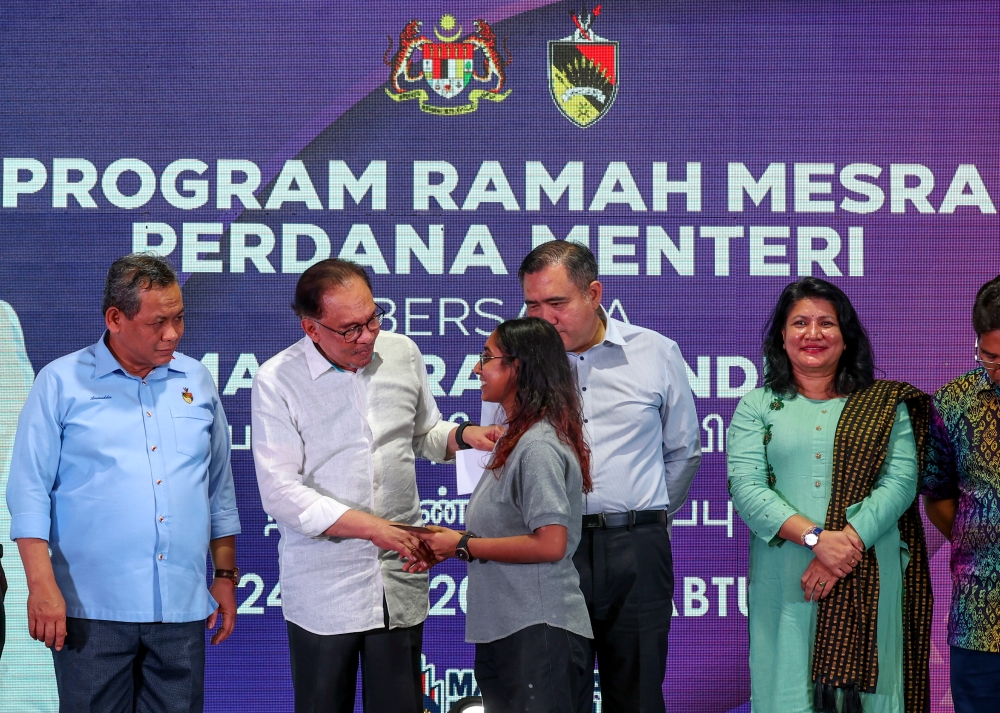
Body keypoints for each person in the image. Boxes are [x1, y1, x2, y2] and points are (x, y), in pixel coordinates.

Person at [250, 258, 500, 713]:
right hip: (325, 587)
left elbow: (424, 433)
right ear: (311, 329)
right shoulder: (277, 380)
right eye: (349, 329)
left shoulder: (402, 353)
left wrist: (464, 437)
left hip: (400, 574)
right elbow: (281, 492)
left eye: (372, 319)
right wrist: (375, 529)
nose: (366, 336)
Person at [6, 253, 241, 713]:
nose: (172, 334)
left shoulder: (197, 379)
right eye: (158, 322)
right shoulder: (59, 383)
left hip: (181, 609)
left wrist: (226, 575)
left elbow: (218, 488)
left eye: (179, 319)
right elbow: (29, 493)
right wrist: (40, 585)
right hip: (90, 613)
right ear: (115, 318)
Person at [726, 277, 932, 713]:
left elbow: (900, 481)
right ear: (781, 335)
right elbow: (745, 488)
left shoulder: (883, 404)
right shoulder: (757, 405)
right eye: (800, 322)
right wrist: (819, 541)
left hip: (867, 568)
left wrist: (847, 544)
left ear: (846, 336)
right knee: (786, 692)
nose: (813, 334)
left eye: (826, 323)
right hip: (786, 578)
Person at [516, 240, 700, 712]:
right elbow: (501, 457)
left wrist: (641, 515)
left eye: (557, 303)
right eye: (533, 304)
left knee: (637, 696)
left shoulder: (654, 352)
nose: (543, 317)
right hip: (552, 552)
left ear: (594, 293)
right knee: (554, 696)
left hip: (636, 550)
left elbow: (682, 452)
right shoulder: (516, 362)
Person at [414, 317, 594, 713]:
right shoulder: (513, 442)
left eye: (487, 358)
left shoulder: (538, 447)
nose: (476, 368)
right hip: (507, 631)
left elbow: (551, 542)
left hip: (538, 632)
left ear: (519, 367)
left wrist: (463, 545)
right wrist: (452, 544)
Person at [922, 275, 1000, 712]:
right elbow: (938, 495)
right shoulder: (953, 404)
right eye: (989, 358)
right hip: (979, 616)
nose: (999, 370)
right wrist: (979, 543)